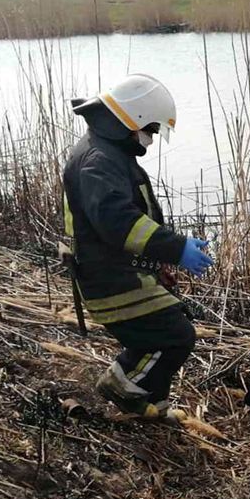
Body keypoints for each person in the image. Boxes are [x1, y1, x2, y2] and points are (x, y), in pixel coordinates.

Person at [61, 73, 213, 418]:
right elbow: (119, 223)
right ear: (131, 122)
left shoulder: (109, 153)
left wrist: (158, 265)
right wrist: (175, 249)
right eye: (151, 130)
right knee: (174, 335)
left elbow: (128, 225)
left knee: (167, 327)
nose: (151, 139)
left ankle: (151, 407)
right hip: (108, 280)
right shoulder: (98, 161)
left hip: (117, 272)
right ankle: (121, 387)